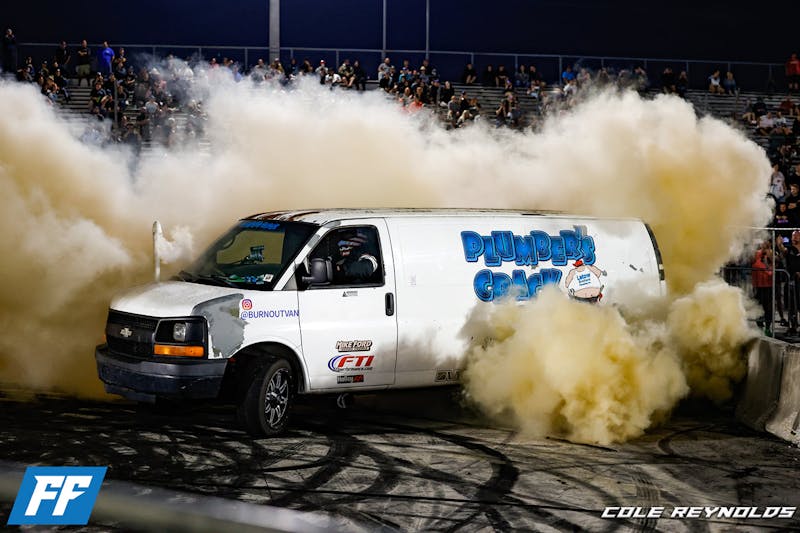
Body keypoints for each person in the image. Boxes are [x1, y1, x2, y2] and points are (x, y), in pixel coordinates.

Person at [752, 240, 774, 335]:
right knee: (758, 306)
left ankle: (768, 328)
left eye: (766, 243)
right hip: (758, 285)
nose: (764, 244)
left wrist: (769, 257)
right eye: (762, 242)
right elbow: (756, 264)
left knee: (768, 308)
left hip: (768, 286)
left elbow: (774, 267)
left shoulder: (771, 253)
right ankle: (760, 326)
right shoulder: (757, 253)